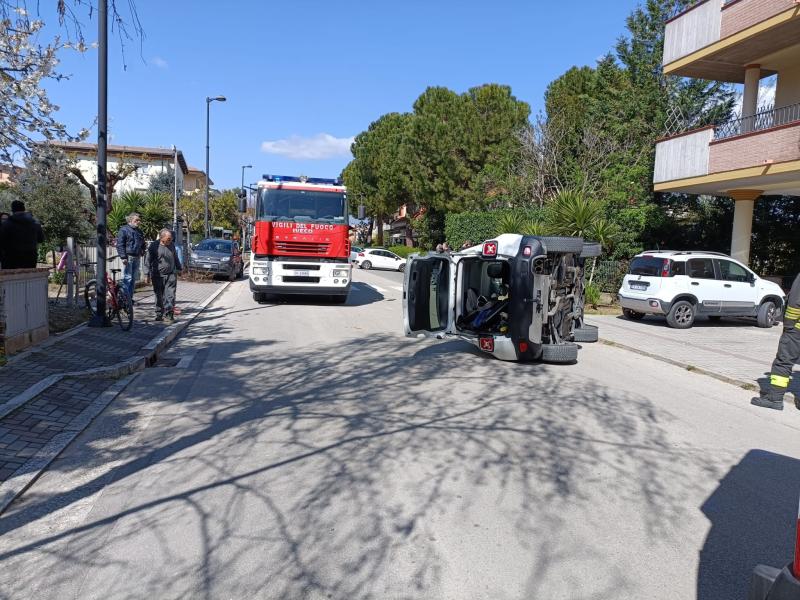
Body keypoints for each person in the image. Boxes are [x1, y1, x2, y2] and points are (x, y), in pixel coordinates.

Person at [752, 273, 800, 410]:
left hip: (796, 330)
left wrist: (789, 326)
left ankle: (775, 399)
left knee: (783, 361)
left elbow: (795, 304)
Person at [145, 228, 182, 322]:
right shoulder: (154, 246)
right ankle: (159, 313)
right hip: (157, 275)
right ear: (162, 238)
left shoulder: (172, 245)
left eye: (171, 239)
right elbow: (147, 260)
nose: (170, 240)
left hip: (171, 274)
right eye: (168, 239)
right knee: (159, 295)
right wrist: (147, 274)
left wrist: (179, 268)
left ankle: (169, 314)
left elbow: (175, 257)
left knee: (170, 295)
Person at [0, 200, 44, 269]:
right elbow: (41, 239)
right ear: (24, 209)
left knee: (11, 279)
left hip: (10, 260)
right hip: (30, 259)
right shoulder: (35, 223)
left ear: (12, 210)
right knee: (28, 279)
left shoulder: (6, 224)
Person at [115, 212, 145, 302]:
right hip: (128, 257)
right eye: (136, 220)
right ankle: (124, 299)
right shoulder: (123, 230)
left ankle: (129, 298)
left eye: (139, 220)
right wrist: (123, 257)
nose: (138, 221)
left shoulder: (139, 231)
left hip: (137, 257)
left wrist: (142, 250)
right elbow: (120, 244)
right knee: (128, 278)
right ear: (130, 220)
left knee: (133, 279)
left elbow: (142, 243)